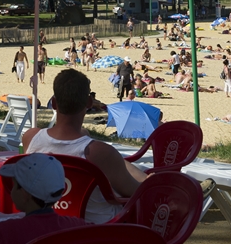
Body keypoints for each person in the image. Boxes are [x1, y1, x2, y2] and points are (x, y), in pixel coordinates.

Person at [22, 69, 152, 223]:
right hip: (93, 233)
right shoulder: (99, 152)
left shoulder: (31, 137)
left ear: (54, 103)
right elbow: (137, 192)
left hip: (46, 226)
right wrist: (149, 182)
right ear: (89, 103)